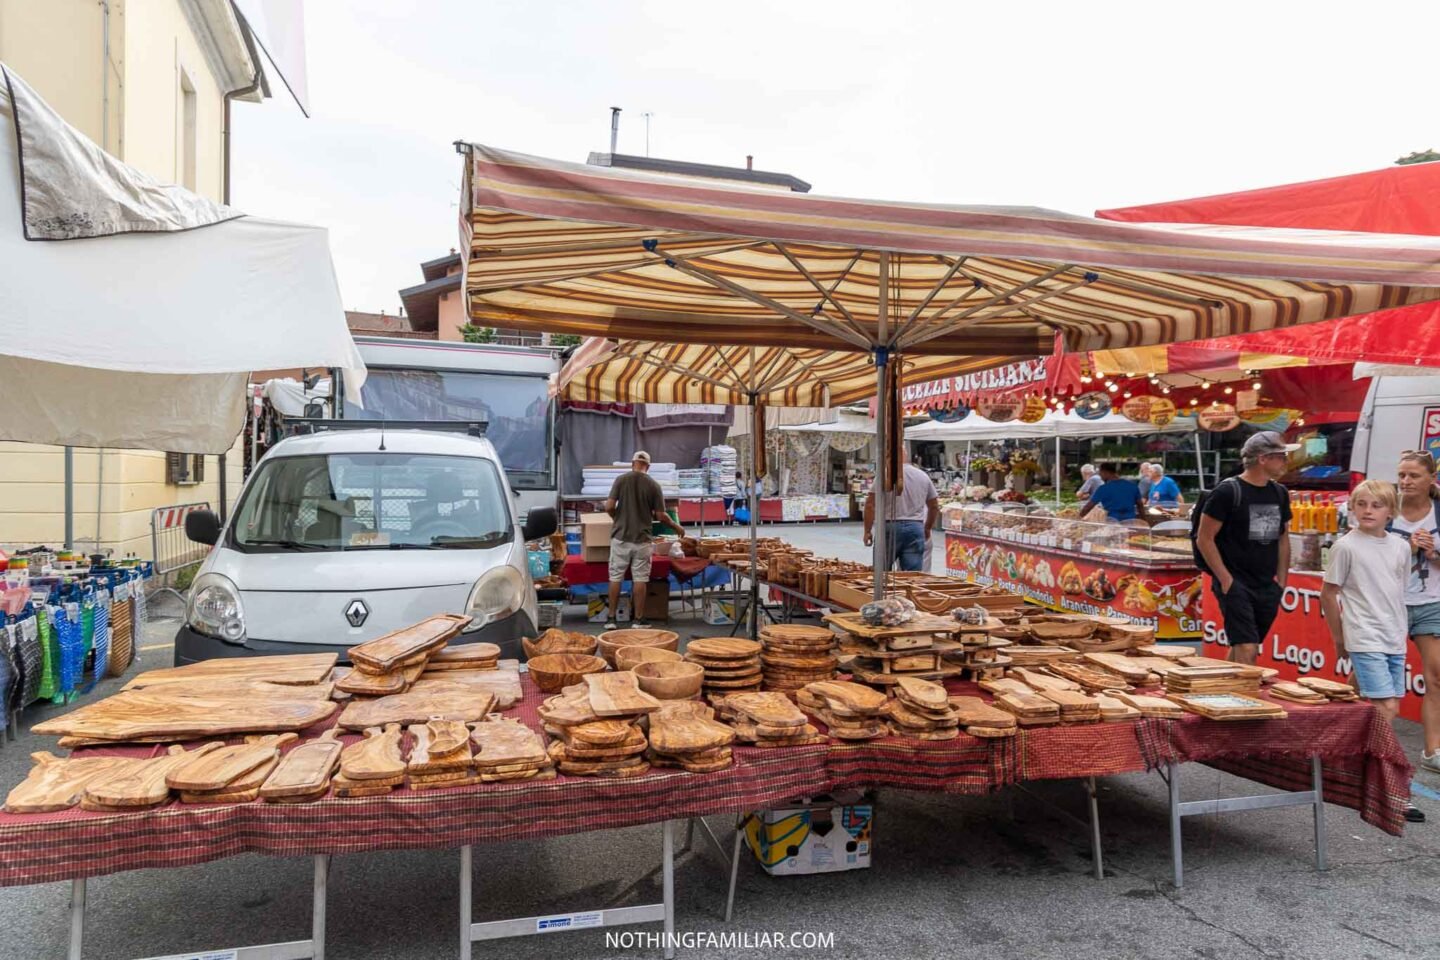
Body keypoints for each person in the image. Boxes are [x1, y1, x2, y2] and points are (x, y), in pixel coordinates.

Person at [1321, 479, 1425, 824]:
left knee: (1355, 698)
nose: (1368, 511)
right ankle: (1385, 783)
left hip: (1393, 636)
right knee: (1387, 707)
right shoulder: (1346, 546)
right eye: (1361, 504)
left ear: (1390, 512)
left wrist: (1401, 631)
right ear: (1352, 507)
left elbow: (1395, 591)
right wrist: (1340, 639)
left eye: (1376, 505)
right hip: (1364, 636)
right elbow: (1329, 593)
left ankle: (1333, 755)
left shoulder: (1400, 547)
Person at [1195, 432, 1294, 666]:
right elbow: (1204, 538)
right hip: (1236, 582)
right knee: (1247, 647)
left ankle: (1227, 691)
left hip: (1266, 584)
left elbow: (1283, 537)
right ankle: (1247, 701)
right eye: (1281, 456)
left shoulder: (1279, 493)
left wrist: (1281, 579)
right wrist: (1226, 579)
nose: (1286, 462)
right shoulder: (1228, 492)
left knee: (1244, 645)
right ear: (1262, 458)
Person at [1392, 449, 1440, 776]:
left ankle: (1432, 750)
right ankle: (1343, 736)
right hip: (1390, 603)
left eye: (1414, 476)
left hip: (1431, 602)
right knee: (1366, 675)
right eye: (1402, 476)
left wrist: (1433, 552)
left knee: (1436, 677)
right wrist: (1405, 551)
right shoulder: (1385, 509)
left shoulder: (1438, 512)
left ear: (1431, 480)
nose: (1406, 482)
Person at [604, 450, 684, 630]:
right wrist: (676, 527)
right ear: (648, 466)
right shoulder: (654, 485)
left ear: (633, 463)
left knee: (615, 577)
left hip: (620, 537)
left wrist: (617, 518)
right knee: (640, 578)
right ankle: (638, 620)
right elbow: (661, 515)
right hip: (642, 539)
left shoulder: (621, 480)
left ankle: (611, 619)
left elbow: (609, 506)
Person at [863, 452, 940, 571]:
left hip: (889, 526)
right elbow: (934, 506)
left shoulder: (885, 475)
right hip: (915, 527)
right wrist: (927, 528)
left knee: (881, 573)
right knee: (912, 576)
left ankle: (883, 589)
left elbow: (870, 504)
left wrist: (867, 531)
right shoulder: (922, 476)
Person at [1078, 463, 1144, 523]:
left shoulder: (1103, 489)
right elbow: (1140, 505)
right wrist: (1143, 520)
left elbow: (1088, 507)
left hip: (1112, 522)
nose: (1100, 477)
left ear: (1105, 472)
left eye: (1100, 474)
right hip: (1130, 522)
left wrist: (1078, 518)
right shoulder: (1132, 486)